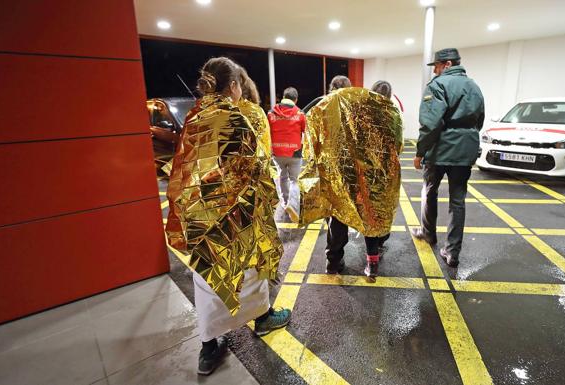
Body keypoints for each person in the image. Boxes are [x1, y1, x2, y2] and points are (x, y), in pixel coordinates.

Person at [165, 57, 291, 376]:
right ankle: (263, 319)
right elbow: (252, 173)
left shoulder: (196, 117)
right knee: (249, 273)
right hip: (235, 215)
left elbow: (183, 169)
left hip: (200, 214)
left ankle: (209, 348)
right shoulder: (235, 118)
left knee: (209, 279)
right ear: (234, 86)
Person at [297, 85, 403, 281]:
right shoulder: (392, 112)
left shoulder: (352, 108)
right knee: (373, 216)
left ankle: (333, 262)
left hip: (343, 172)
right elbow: (398, 145)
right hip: (377, 175)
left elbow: (309, 116)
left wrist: (314, 154)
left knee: (338, 213)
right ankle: (372, 264)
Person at [411, 48, 485, 267]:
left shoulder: (438, 85)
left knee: (429, 191)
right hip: (465, 150)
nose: (435, 70)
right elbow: (479, 120)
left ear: (448, 64)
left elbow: (430, 124)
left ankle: (428, 233)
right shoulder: (474, 86)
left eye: (437, 65)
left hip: (440, 149)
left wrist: (420, 151)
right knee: (457, 200)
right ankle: (452, 252)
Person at [267, 87, 306, 221]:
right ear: (295, 100)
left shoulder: (271, 113)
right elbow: (305, 131)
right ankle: (293, 205)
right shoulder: (300, 114)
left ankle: (284, 203)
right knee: (294, 180)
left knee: (282, 177)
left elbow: (267, 132)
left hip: (277, 153)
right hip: (294, 153)